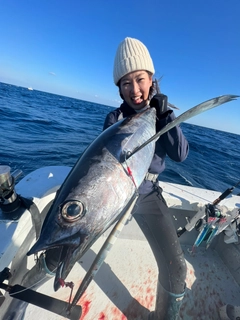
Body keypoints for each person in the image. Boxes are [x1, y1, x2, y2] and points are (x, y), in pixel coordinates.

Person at [103, 37, 189, 320]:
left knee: (176, 267)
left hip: (148, 193)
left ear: (151, 79)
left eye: (139, 78)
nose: (134, 89)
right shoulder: (115, 118)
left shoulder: (162, 115)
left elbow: (179, 154)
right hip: (117, 192)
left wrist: (166, 117)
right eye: (125, 83)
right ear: (119, 88)